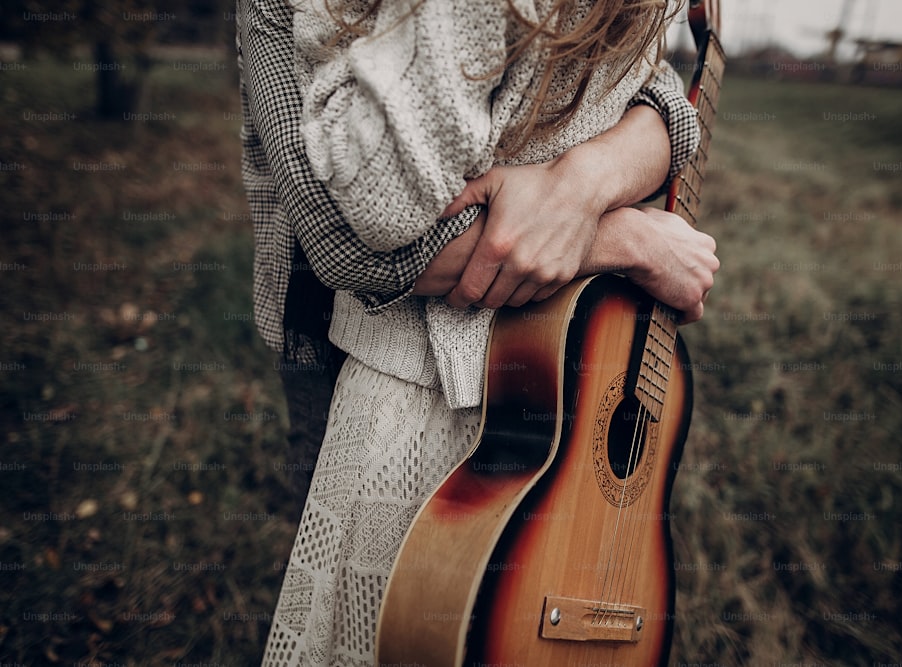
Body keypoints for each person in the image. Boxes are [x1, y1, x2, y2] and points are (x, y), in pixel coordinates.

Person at [235, 0, 719, 664]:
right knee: (378, 600)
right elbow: (345, 242)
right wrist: (620, 237)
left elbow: (659, 93)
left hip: (557, 356)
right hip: (354, 341)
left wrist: (579, 183)